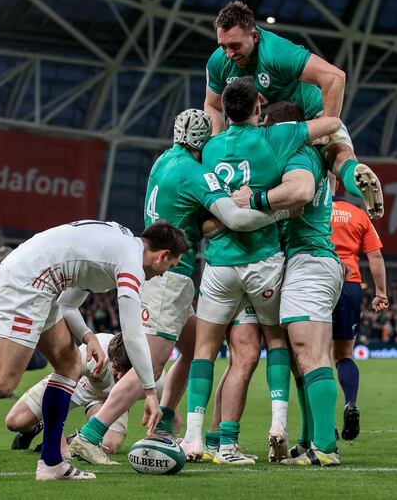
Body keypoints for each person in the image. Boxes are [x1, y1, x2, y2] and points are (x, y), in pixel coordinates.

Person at [0, 220, 187, 481]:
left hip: (44, 280)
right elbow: (133, 334)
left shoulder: (120, 246)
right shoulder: (130, 262)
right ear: (162, 255)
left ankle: (51, 463)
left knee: (68, 364)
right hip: (30, 280)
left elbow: (67, 302)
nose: (162, 274)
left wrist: (88, 335)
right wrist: (149, 391)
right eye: (169, 266)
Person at [69, 108, 293, 465]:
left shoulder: (163, 163)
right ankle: (91, 433)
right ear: (202, 142)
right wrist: (279, 211)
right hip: (168, 278)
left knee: (195, 348)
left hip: (167, 277)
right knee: (151, 366)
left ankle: (166, 423)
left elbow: (193, 221)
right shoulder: (195, 173)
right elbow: (233, 218)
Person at [180, 79, 341, 465]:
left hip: (218, 263)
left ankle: (194, 437)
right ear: (258, 109)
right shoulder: (275, 138)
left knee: (206, 351)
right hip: (264, 260)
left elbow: (205, 211)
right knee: (277, 344)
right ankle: (279, 428)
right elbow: (331, 123)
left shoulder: (210, 148)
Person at [233, 101, 344, 465]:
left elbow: (299, 193)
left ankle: (325, 449)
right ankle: (311, 439)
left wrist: (256, 198)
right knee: (306, 358)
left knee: (309, 354)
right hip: (313, 261)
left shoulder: (298, 155)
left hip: (310, 261)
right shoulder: (313, 154)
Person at [204, 0, 384, 220]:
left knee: (333, 152)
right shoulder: (218, 61)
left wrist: (326, 124)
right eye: (223, 46)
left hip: (307, 116)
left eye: (235, 46)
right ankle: (349, 172)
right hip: (269, 124)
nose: (229, 53)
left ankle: (355, 174)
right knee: (334, 156)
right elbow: (212, 105)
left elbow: (335, 77)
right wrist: (215, 139)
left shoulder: (278, 52)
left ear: (254, 36)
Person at [7, 332, 134, 457]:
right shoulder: (92, 351)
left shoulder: (147, 366)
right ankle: (34, 427)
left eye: (126, 372)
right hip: (79, 384)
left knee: (108, 445)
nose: (121, 376)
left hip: (110, 398)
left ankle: (75, 440)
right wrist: (58, 444)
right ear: (109, 357)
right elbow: (55, 389)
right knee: (14, 421)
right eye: (117, 369)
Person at [330, 182, 388, 441]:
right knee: (343, 355)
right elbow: (375, 257)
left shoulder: (309, 209)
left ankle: (321, 425)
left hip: (316, 280)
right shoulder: (358, 214)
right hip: (350, 283)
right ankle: (350, 402)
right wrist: (381, 293)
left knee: (313, 357)